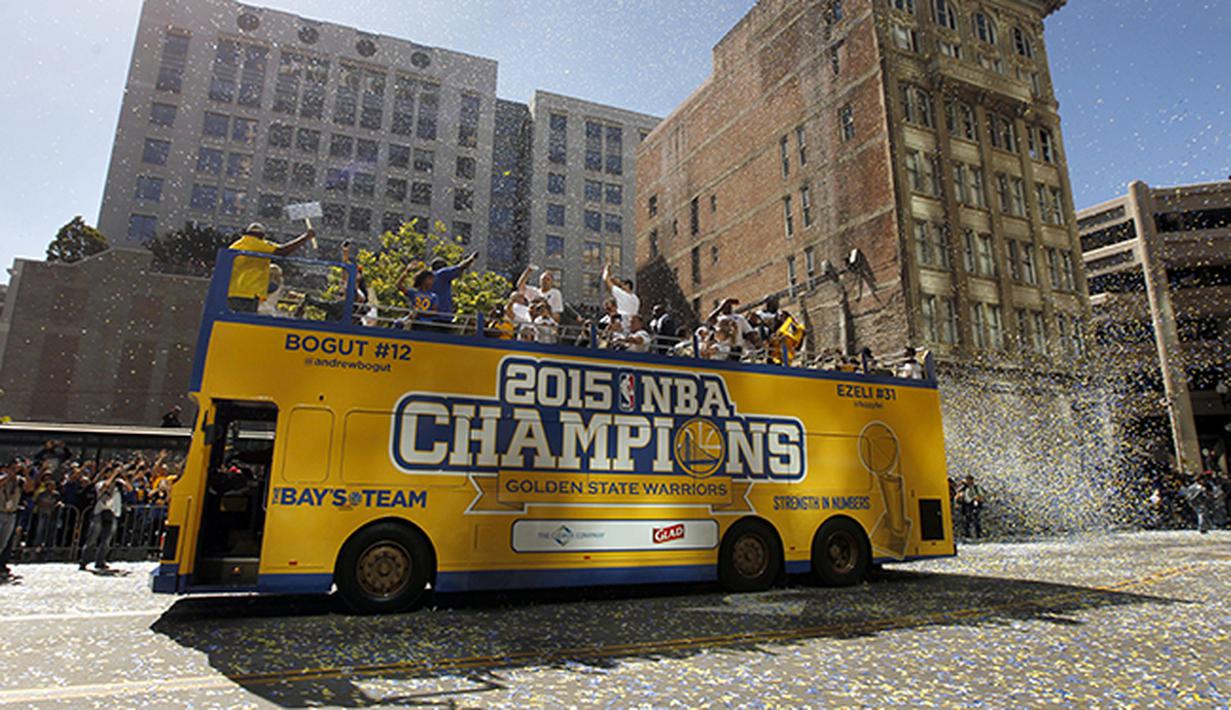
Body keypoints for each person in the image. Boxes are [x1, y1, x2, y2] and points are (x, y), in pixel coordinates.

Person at [226, 223, 315, 313]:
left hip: (233, 292)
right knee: (243, 322)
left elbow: (278, 247)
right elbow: (282, 251)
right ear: (261, 235)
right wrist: (305, 237)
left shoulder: (240, 244)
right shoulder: (255, 244)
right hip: (246, 294)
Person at [79, 468, 131, 571]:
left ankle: (100, 561)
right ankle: (84, 561)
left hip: (112, 513)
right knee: (93, 538)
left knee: (106, 540)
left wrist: (124, 477)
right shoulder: (100, 483)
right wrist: (114, 474)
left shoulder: (118, 486)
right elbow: (105, 487)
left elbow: (130, 488)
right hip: (100, 512)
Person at [430, 252, 479, 326]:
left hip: (428, 317)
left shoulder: (428, 278)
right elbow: (460, 267)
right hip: (442, 318)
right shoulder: (442, 273)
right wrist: (472, 258)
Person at [0, 462, 24, 580]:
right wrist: (9, 476)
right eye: (12, 469)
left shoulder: (19, 481)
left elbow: (30, 487)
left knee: (3, 543)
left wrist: (26, 473)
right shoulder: (2, 478)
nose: (15, 471)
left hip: (11, 514)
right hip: (0, 512)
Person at [955, 474, 984, 539]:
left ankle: (978, 534)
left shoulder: (976, 488)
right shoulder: (963, 488)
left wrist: (976, 499)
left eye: (969, 480)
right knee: (966, 520)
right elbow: (957, 495)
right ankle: (967, 534)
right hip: (966, 505)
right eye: (967, 480)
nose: (968, 481)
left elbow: (981, 496)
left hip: (974, 504)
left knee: (976, 519)